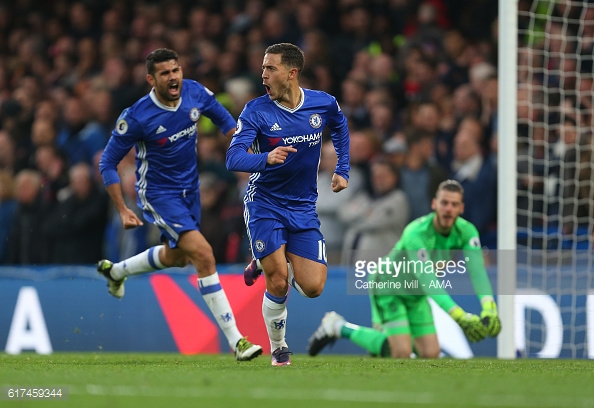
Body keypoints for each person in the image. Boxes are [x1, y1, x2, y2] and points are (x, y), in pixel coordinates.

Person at [97, 48, 262, 362]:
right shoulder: (137, 116)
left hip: (190, 191)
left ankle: (116, 272)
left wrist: (251, 152)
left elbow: (227, 123)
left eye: (175, 70)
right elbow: (107, 163)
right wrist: (122, 209)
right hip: (158, 194)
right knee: (203, 254)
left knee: (177, 258)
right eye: (164, 73)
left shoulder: (195, 93)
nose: (173, 77)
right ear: (151, 79)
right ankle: (237, 341)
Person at [226, 43, 350, 366]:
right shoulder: (256, 111)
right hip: (265, 203)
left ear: (291, 73)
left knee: (313, 287)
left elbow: (340, 125)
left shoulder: (322, 104)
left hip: (303, 207)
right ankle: (278, 347)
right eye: (263, 68)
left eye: (271, 68)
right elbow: (232, 158)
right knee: (279, 278)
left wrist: (342, 168)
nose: (263, 74)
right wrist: (264, 158)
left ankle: (265, 257)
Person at [307, 179, 501, 358]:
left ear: (461, 208)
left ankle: (381, 341)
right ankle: (338, 327)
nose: (448, 209)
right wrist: (458, 315)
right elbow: (427, 280)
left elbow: (477, 272)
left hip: (416, 294)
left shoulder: (467, 232)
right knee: (400, 352)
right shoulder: (416, 233)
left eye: (454, 204)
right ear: (434, 204)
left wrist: (489, 308)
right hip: (388, 287)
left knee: (430, 354)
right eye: (444, 203)